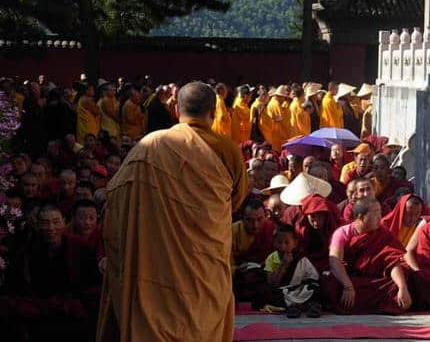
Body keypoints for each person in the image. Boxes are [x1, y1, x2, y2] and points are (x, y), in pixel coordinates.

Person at [96, 81, 248, 342]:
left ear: (176, 110)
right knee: (202, 322)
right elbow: (236, 199)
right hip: (204, 261)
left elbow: (116, 194)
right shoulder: (226, 149)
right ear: (213, 112)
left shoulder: (149, 145)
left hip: (152, 261)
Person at [1, 204, 102, 341]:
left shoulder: (81, 249)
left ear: (64, 222)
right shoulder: (24, 253)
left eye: (56, 222)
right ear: (37, 225)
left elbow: (93, 287)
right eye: (45, 223)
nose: (51, 228)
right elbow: (12, 291)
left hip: (70, 317)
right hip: (36, 317)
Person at [323, 198, 412, 315]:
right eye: (375, 213)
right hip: (350, 280)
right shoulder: (342, 233)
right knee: (331, 283)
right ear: (360, 217)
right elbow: (335, 262)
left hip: (375, 281)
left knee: (401, 282)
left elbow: (392, 262)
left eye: (380, 212)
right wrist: (348, 286)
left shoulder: (383, 234)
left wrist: (402, 287)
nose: (380, 217)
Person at [262, 225, 321, 318]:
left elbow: (313, 277)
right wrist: (283, 266)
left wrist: (305, 285)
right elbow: (272, 283)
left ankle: (306, 305)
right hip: (283, 291)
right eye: (279, 242)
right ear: (274, 243)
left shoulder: (300, 258)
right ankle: (296, 306)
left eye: (287, 243)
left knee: (316, 289)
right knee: (266, 293)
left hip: (300, 289)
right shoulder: (271, 258)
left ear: (295, 244)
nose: (283, 246)